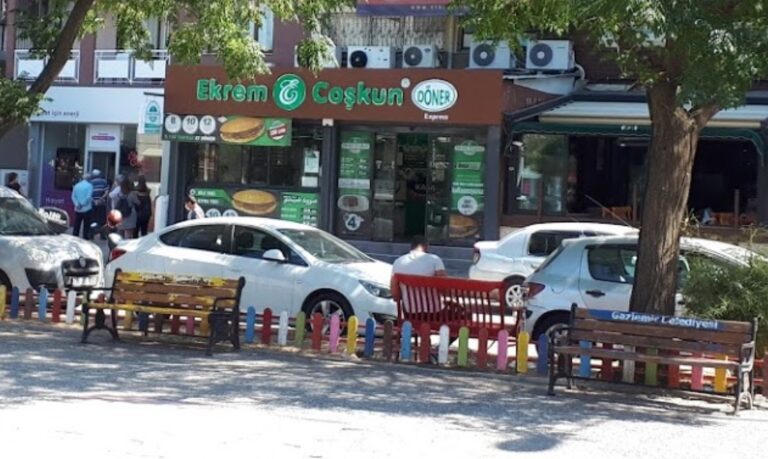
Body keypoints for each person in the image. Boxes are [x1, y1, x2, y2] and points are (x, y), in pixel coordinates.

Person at [390, 236, 446, 302]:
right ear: (426, 246)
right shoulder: (435, 260)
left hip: (408, 307)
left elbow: (395, 295)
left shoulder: (398, 262)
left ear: (411, 246)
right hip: (432, 307)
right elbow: (444, 288)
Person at [71, 173, 94, 239]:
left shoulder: (77, 185)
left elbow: (73, 196)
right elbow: (88, 197)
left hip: (77, 208)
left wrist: (77, 204)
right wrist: (82, 204)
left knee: (76, 224)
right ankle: (85, 238)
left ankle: (75, 237)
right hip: (87, 208)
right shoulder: (90, 185)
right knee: (86, 225)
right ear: (89, 179)